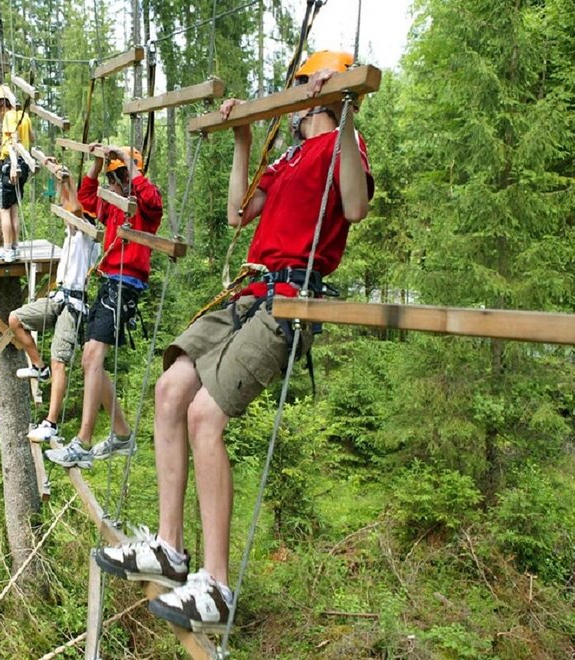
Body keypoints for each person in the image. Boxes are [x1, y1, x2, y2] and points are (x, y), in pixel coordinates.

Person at [93, 51, 374, 633]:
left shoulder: (341, 144)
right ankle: (170, 548)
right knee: (170, 391)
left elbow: (354, 206)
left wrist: (345, 110)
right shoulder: (287, 157)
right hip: (250, 291)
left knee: (204, 415)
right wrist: (244, 139)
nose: (293, 107)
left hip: (291, 297)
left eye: (300, 92)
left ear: (317, 93)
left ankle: (217, 587)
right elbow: (236, 214)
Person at [45, 145, 163, 469]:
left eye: (117, 177)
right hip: (109, 281)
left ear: (129, 175)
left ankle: (83, 443)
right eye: (111, 179)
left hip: (126, 283)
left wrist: (127, 165)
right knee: (89, 359)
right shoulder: (111, 203)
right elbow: (85, 198)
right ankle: (122, 433)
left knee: (93, 357)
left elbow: (154, 200)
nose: (112, 184)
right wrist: (97, 165)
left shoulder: (144, 204)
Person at [9, 179, 100, 443]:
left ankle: (51, 423)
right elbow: (68, 205)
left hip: (73, 305)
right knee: (15, 319)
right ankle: (39, 367)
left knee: (59, 360)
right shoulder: (73, 234)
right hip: (59, 297)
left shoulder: (87, 236)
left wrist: (68, 182)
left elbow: (75, 209)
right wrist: (61, 180)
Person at [0, 84, 33, 263]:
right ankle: (15, 247)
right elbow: (32, 137)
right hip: (24, 163)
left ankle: (7, 249)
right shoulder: (25, 116)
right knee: (14, 208)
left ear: (1, 104)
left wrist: (13, 165)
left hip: (11, 163)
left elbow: (14, 140)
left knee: (4, 210)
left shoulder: (9, 116)